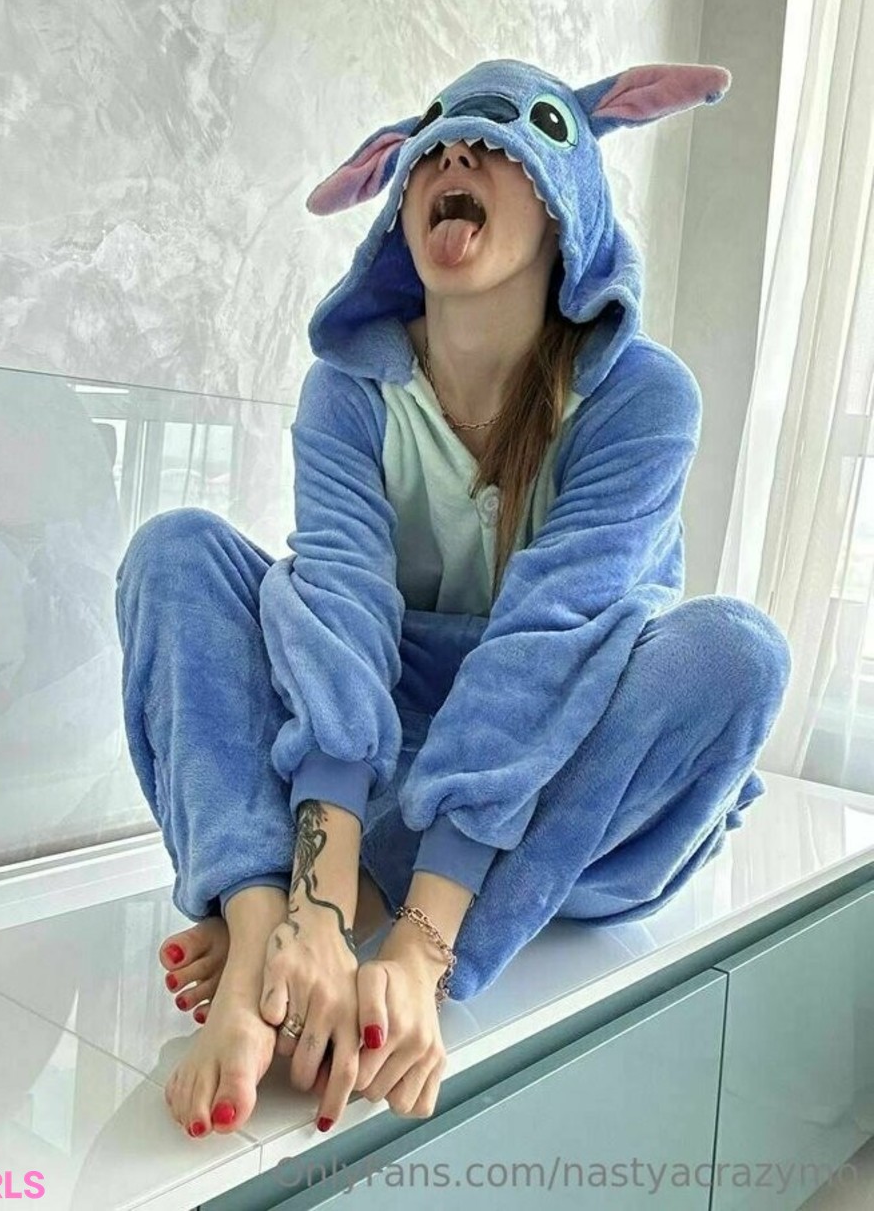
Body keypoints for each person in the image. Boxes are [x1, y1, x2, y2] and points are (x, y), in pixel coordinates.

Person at [115, 57, 793, 1143]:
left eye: (501, 140)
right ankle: (264, 938)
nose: (456, 154)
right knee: (176, 550)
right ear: (399, 201)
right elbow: (340, 619)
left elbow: (548, 648)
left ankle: (355, 904)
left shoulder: (642, 397)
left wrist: (418, 950)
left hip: (567, 779)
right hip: (386, 744)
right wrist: (311, 915)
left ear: (565, 196)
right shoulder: (352, 388)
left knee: (737, 653)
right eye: (432, 142)